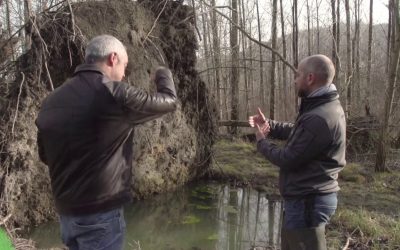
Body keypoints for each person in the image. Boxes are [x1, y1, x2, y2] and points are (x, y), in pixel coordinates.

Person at [35, 34, 177, 250]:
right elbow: (169, 101)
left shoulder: (51, 101)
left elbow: (45, 155)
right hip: (100, 215)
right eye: (124, 65)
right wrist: (162, 74)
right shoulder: (114, 93)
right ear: (113, 58)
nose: (124, 73)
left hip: (66, 216)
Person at [249, 54, 346, 250]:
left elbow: (287, 158)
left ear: (310, 78)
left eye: (297, 75)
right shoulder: (323, 107)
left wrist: (262, 141)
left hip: (308, 202)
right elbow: (301, 132)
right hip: (308, 200)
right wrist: (270, 125)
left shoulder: (319, 117)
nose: (295, 80)